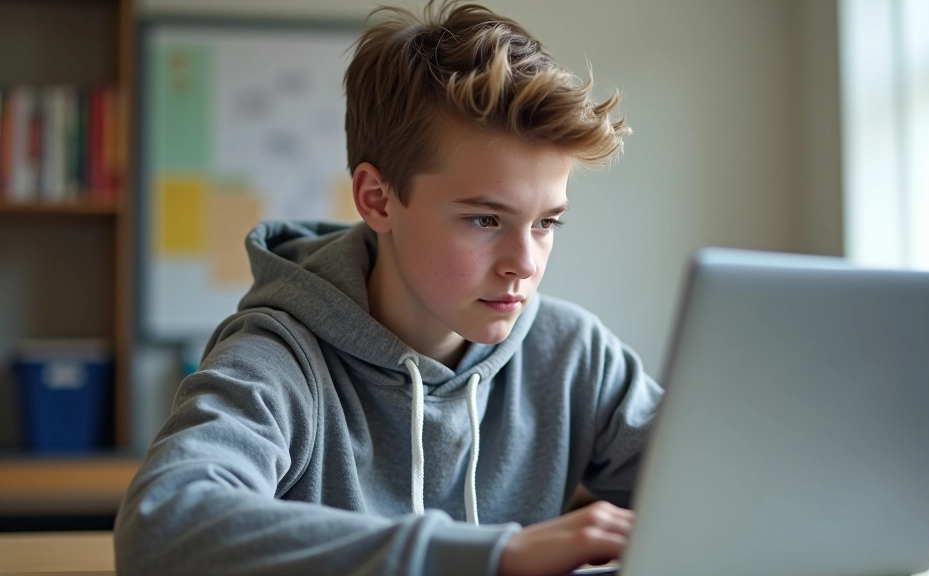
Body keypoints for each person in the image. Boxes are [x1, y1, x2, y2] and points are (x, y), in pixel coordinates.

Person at [114, 2, 663, 575]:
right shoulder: (279, 363)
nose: (523, 264)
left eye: (546, 222)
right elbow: (159, 526)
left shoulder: (574, 355)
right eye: (485, 220)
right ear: (377, 198)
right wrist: (498, 556)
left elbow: (730, 497)